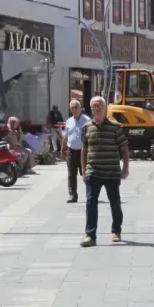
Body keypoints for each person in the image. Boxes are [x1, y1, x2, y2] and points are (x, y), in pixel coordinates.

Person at [80, 97, 129, 247]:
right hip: (93, 171)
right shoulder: (86, 127)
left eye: (100, 106)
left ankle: (116, 230)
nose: (97, 109)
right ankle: (90, 235)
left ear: (106, 107)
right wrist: (83, 170)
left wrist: (125, 168)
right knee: (90, 203)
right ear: (91, 109)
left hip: (112, 172)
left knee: (115, 202)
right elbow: (84, 149)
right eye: (94, 107)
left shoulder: (116, 127)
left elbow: (124, 149)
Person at [62, 99, 90, 203]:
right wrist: (63, 148)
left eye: (76, 107)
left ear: (80, 108)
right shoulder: (69, 121)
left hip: (84, 151)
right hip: (71, 151)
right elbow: (66, 136)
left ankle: (90, 193)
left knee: (86, 173)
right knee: (71, 174)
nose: (74, 109)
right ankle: (72, 195)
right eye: (72, 108)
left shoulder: (87, 120)